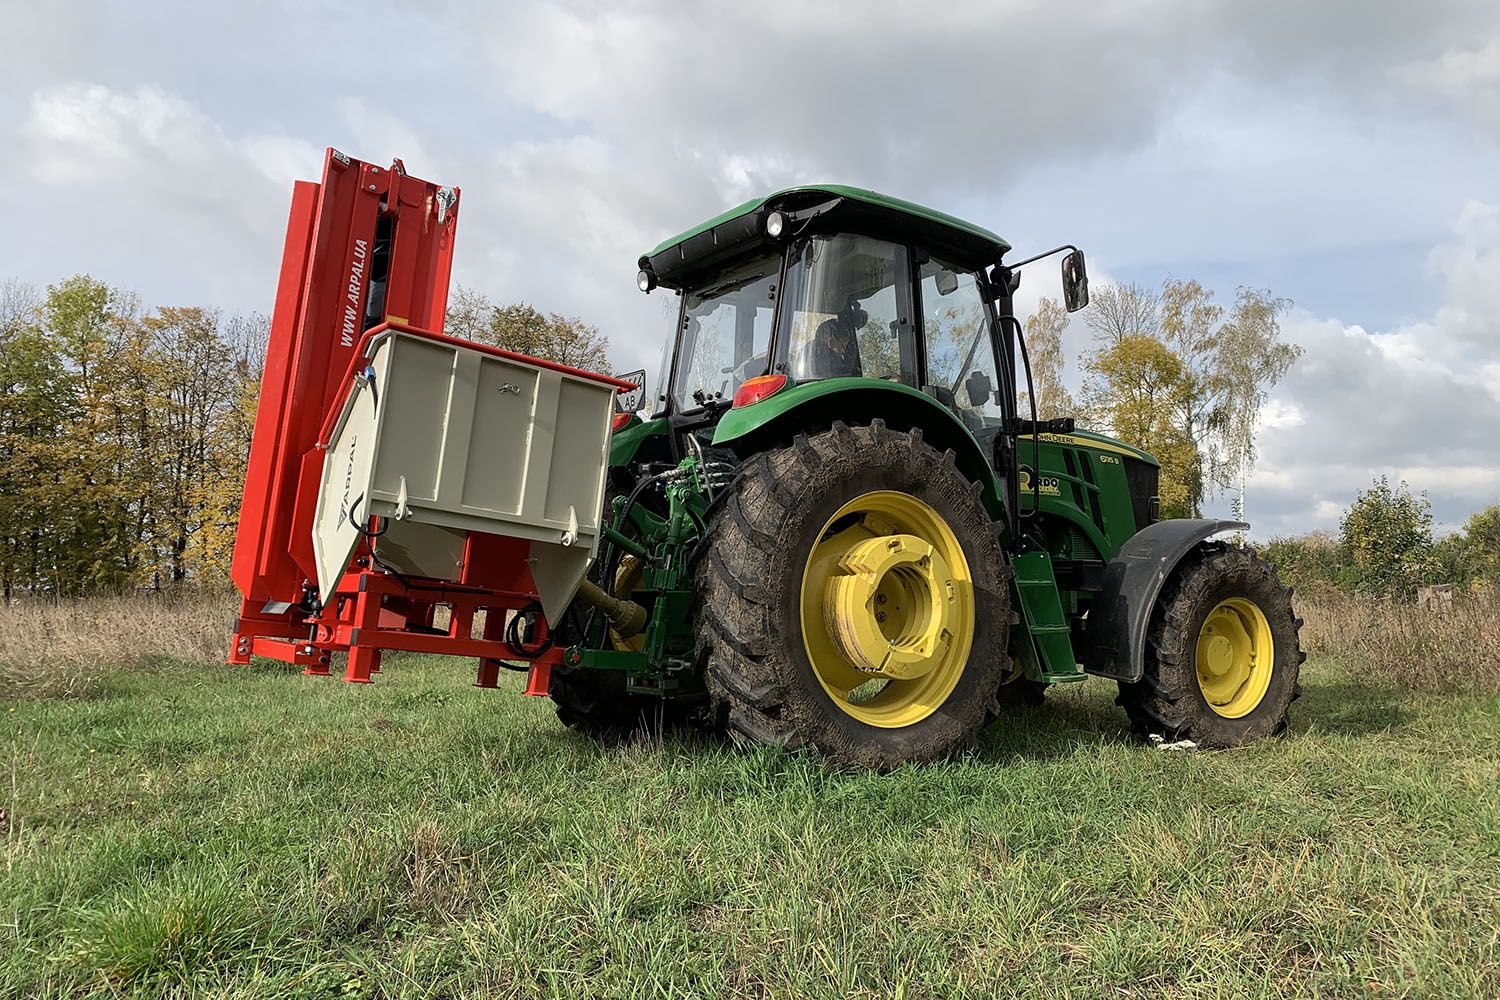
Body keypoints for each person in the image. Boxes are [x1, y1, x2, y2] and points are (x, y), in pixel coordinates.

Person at [803, 297, 866, 379]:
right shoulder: (823, 362)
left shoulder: (811, 354)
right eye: (843, 346)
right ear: (831, 342)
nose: (844, 351)